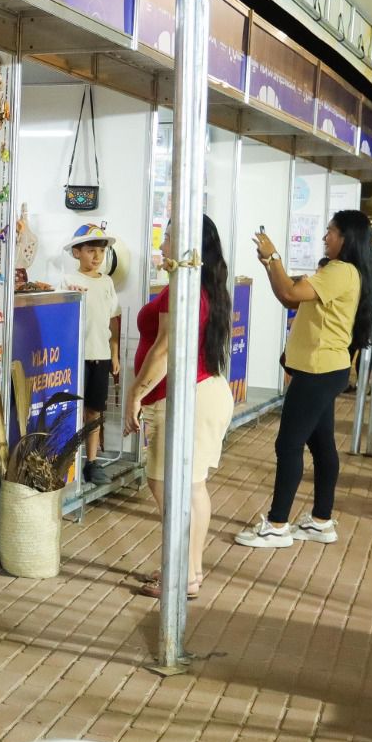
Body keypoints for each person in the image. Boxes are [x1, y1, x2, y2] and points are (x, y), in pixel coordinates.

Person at [238, 210, 372, 549]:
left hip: (318, 371)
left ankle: (277, 525)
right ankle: (320, 521)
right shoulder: (341, 272)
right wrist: (270, 265)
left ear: (347, 238)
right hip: (323, 369)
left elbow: (291, 292)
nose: (325, 237)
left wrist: (274, 257)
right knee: (322, 445)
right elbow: (288, 296)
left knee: (288, 444)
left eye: (331, 232)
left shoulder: (341, 271)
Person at [123, 216, 236, 599]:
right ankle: (189, 570)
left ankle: (183, 574)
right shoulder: (203, 286)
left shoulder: (184, 288)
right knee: (189, 488)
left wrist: (136, 393)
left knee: (170, 488)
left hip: (186, 398)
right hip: (201, 393)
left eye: (169, 236)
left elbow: (165, 349)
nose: (163, 243)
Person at [61, 223, 123, 483]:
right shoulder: (68, 280)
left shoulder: (107, 282)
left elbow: (113, 319)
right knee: (72, 409)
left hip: (101, 355)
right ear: (77, 252)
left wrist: (115, 354)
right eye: (90, 250)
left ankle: (92, 462)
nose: (97, 256)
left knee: (95, 411)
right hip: (77, 357)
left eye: (101, 251)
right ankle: (68, 462)